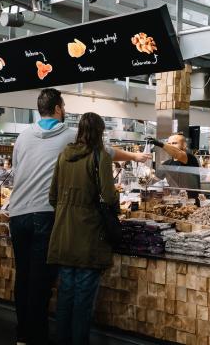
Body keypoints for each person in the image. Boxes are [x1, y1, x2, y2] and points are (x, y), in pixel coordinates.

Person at [9, 88, 149, 345]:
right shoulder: (71, 137)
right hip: (46, 215)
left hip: (17, 213)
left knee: (24, 277)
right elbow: (105, 153)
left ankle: (23, 334)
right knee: (41, 281)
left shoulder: (23, 136)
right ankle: (36, 338)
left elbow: (17, 170)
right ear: (60, 108)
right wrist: (136, 156)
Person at [48, 112, 117, 344]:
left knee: (66, 295)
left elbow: (52, 196)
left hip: (63, 234)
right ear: (100, 131)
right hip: (88, 237)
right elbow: (108, 198)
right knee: (84, 299)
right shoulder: (101, 156)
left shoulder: (64, 155)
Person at [149, 133, 201, 199]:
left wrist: (160, 144)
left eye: (174, 143)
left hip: (191, 204)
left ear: (184, 145)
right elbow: (152, 181)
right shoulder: (166, 164)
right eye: (169, 144)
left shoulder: (190, 158)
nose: (171, 146)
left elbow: (178, 153)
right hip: (174, 203)